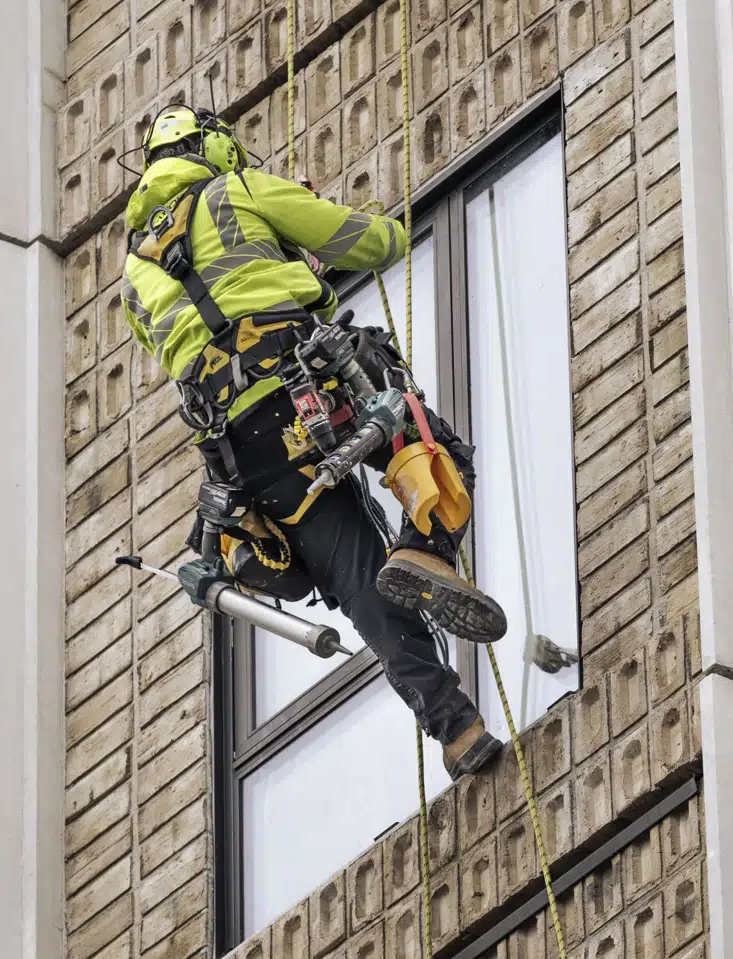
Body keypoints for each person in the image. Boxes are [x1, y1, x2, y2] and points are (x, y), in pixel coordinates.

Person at [120, 104, 505, 777]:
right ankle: (425, 550)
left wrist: (285, 274)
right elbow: (368, 242)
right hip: (309, 387)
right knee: (431, 447)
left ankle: (456, 729)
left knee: (360, 585)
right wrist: (324, 238)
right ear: (211, 145)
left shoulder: (133, 274)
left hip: (245, 452)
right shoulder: (236, 191)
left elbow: (194, 335)